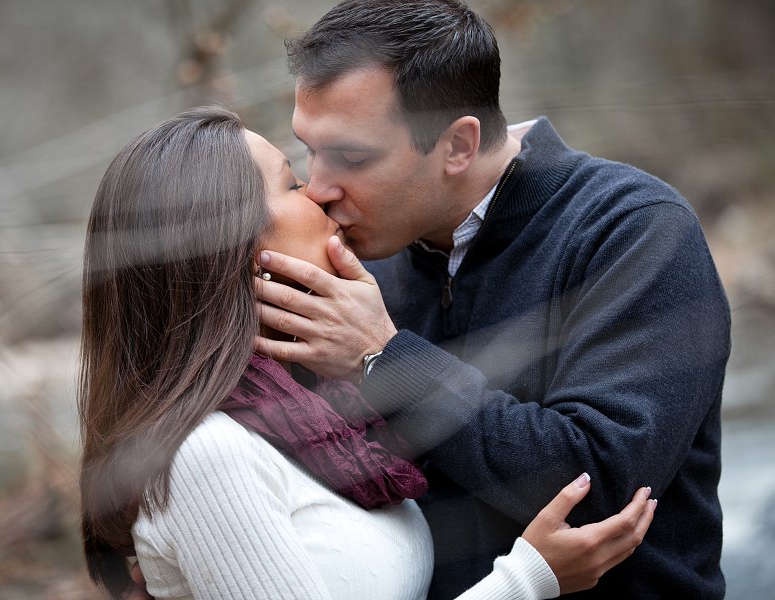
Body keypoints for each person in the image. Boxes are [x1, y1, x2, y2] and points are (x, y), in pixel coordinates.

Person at [253, 1, 731, 599]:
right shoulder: (363, 262)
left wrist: (386, 359)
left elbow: (597, 492)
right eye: (309, 148)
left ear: (457, 145)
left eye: (351, 157)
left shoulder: (634, 231)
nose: (318, 186)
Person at [78, 106, 655, 600]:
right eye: (290, 183)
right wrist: (529, 579)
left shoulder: (307, 406)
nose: (320, 192)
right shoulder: (209, 456)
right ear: (238, 246)